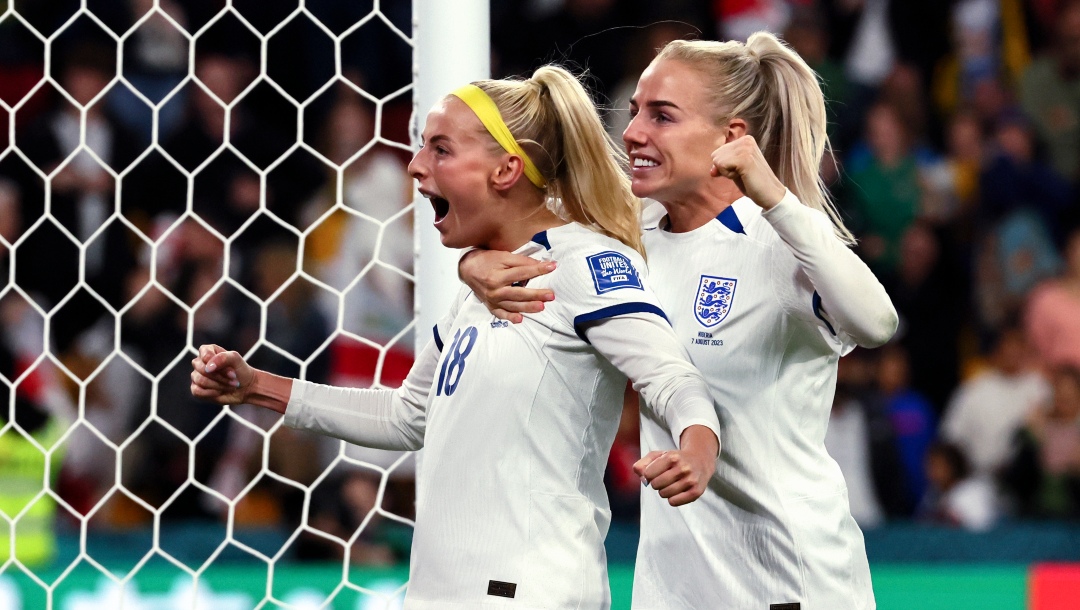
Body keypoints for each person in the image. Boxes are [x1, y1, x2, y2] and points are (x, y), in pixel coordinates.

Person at [191, 65, 723, 609]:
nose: (417, 168)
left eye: (440, 149)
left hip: (530, 590)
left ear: (506, 170)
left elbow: (669, 374)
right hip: (443, 590)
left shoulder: (587, 262)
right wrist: (256, 386)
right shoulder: (484, 283)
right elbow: (407, 415)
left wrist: (697, 446)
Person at [460, 33, 899, 609]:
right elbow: (512, 229)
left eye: (662, 116)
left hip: (790, 583)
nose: (634, 131)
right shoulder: (627, 237)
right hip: (671, 587)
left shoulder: (777, 242)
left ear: (731, 139)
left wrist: (775, 197)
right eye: (637, 110)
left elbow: (877, 323)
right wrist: (475, 262)